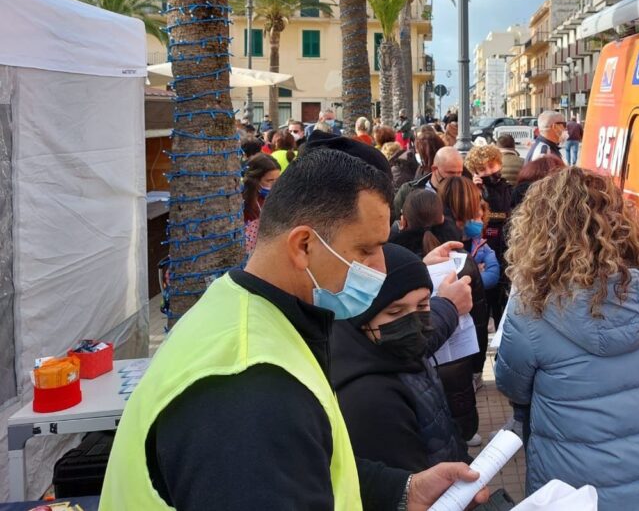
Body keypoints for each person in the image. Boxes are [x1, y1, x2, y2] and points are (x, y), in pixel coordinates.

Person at [101, 148, 488, 510]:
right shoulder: (249, 386)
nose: (380, 269)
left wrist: (402, 490)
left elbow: (305, 462)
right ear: (303, 245)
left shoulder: (244, 308)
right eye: (367, 250)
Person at [494, 167, 639, 510]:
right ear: (620, 222)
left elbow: (512, 385)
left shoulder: (532, 307)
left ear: (538, 229)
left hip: (581, 490)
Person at [334, 243, 471, 471]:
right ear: (360, 316)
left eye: (423, 304)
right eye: (395, 312)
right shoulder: (369, 399)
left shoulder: (397, 349)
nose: (414, 324)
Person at [389, 189, 485, 447]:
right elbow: (479, 317)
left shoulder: (391, 265)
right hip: (457, 360)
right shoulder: (462, 262)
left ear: (403, 220)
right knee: (459, 413)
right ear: (443, 218)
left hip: (417, 371)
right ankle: (466, 435)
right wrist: (477, 364)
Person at [437, 176, 492, 397]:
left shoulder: (441, 240)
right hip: (459, 356)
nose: (479, 212)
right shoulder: (457, 255)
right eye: (476, 204)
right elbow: (477, 317)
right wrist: (477, 365)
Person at [464, 145, 513, 324]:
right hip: (484, 249)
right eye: (482, 169)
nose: (489, 172)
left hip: (506, 248)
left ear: (499, 163)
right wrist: (476, 191)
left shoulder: (509, 189)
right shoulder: (474, 192)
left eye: (491, 166)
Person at [392, 146, 464, 221]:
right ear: (434, 169)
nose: (457, 177)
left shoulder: (464, 193)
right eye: (451, 173)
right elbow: (394, 220)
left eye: (459, 172)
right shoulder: (408, 190)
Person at [242, 154, 281, 254]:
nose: (275, 185)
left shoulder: (279, 196)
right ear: (255, 180)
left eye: (278, 180)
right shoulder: (243, 201)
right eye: (269, 181)